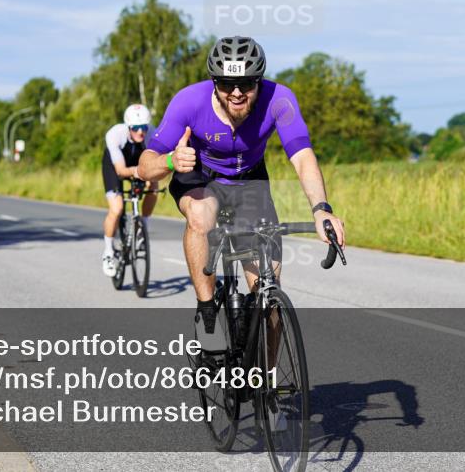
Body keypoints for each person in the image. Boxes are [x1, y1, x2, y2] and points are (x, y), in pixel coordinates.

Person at [137, 35, 346, 346]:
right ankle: (207, 312)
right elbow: (145, 166)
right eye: (226, 84)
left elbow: (303, 157)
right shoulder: (189, 102)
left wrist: (321, 210)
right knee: (201, 215)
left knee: (268, 294)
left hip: (249, 182)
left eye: (246, 84)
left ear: (258, 80)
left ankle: (267, 374)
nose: (236, 93)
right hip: (200, 176)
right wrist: (170, 160)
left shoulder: (279, 100)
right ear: (214, 82)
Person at [101, 104, 159, 276]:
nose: (140, 132)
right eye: (135, 128)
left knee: (154, 186)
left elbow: (156, 163)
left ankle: (143, 227)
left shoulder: (152, 133)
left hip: (139, 162)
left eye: (144, 127)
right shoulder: (114, 134)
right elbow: (120, 170)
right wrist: (140, 172)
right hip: (115, 166)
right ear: (128, 127)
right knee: (117, 208)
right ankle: (108, 252)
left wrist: (149, 177)